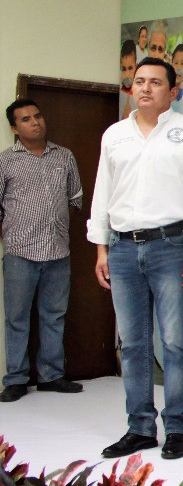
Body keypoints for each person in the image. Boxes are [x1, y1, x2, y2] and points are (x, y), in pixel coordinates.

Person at [89, 57, 183, 460]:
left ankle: (175, 427)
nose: (145, 88)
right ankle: (139, 427)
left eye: (155, 82)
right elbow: (102, 192)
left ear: (173, 90)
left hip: (171, 246)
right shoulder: (115, 135)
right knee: (134, 343)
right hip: (121, 247)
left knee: (174, 341)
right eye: (139, 81)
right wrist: (101, 248)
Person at [1, 98, 83, 402]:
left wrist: (57, 229)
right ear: (14, 128)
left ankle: (51, 375)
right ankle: (16, 379)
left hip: (58, 252)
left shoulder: (64, 156)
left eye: (37, 116)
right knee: (17, 317)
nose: (35, 122)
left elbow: (75, 199)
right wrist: (13, 235)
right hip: (20, 252)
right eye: (25, 119)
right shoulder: (6, 160)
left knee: (54, 315)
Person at [170, 43, 183, 117]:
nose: (178, 67)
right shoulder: (164, 91)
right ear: (171, 65)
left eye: (182, 64)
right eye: (176, 63)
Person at [119, 41, 137, 117]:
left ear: (136, 66)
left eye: (130, 68)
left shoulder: (141, 89)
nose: (127, 74)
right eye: (124, 69)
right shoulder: (120, 89)